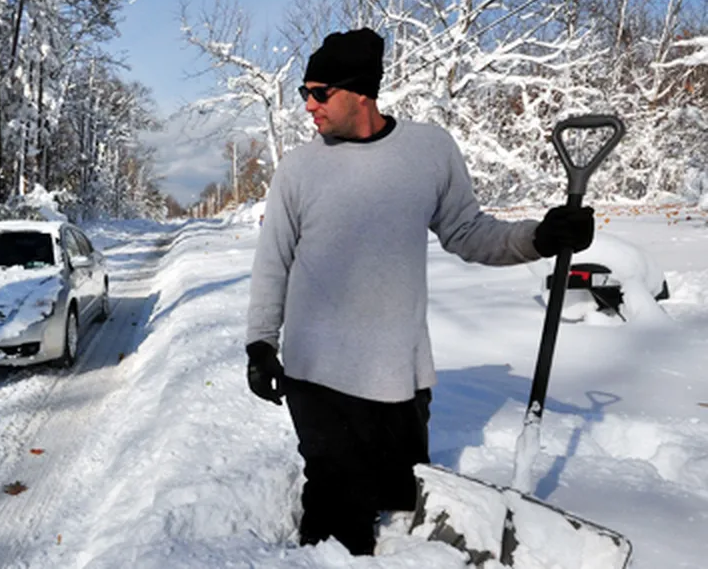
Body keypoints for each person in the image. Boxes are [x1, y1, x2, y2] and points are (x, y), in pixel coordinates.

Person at [244, 27, 594, 556]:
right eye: (304, 93)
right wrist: (260, 343)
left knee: (402, 502)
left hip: (398, 374)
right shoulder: (299, 169)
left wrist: (540, 238)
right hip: (317, 373)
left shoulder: (429, 150)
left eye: (319, 93)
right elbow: (273, 260)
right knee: (338, 517)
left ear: (360, 92)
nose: (308, 105)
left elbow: (468, 231)